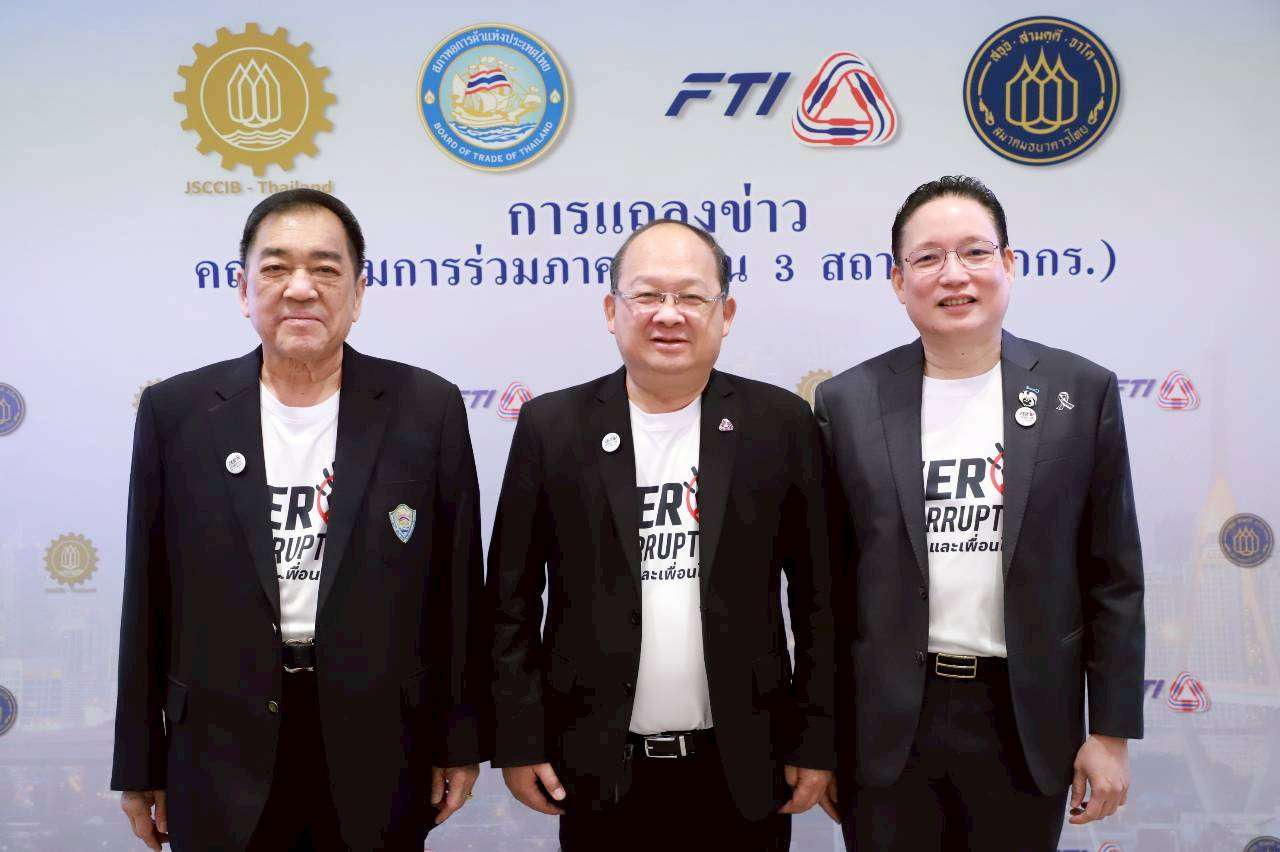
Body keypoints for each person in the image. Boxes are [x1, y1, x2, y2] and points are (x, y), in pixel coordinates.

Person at [110, 189, 488, 850]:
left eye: (325, 268)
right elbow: (147, 599)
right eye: (276, 268)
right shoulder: (177, 414)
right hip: (218, 751)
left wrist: (460, 741)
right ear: (243, 288)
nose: (301, 288)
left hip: (380, 748)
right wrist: (139, 764)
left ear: (359, 291)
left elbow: (456, 593)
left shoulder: (426, 408)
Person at [815, 175, 1145, 850]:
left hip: (1025, 722)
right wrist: (819, 739)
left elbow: (1114, 577)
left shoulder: (1079, 393)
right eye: (928, 258)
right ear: (898, 280)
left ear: (1009, 263)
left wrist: (1110, 733)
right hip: (887, 728)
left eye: (974, 252)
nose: (954, 275)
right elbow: (828, 594)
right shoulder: (848, 403)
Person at [487, 219, 835, 851]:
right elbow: (510, 600)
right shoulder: (552, 428)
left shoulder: (779, 425)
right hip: (596, 764)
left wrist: (817, 737)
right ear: (611, 310)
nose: (668, 314)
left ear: (726, 313)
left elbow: (820, 598)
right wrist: (519, 737)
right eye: (647, 295)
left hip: (745, 763)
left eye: (691, 296)